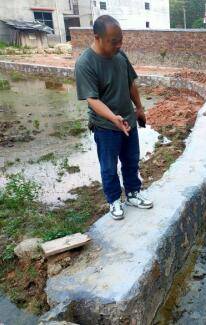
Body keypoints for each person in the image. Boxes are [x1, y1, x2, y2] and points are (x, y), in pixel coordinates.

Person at [75, 15, 153, 220]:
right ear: (97, 37)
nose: (118, 45)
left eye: (120, 40)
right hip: (105, 126)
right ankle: (114, 200)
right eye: (113, 41)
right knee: (109, 167)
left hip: (128, 120)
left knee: (131, 160)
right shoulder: (85, 63)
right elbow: (92, 99)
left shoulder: (120, 56)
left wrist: (139, 108)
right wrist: (113, 118)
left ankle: (133, 193)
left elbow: (130, 84)